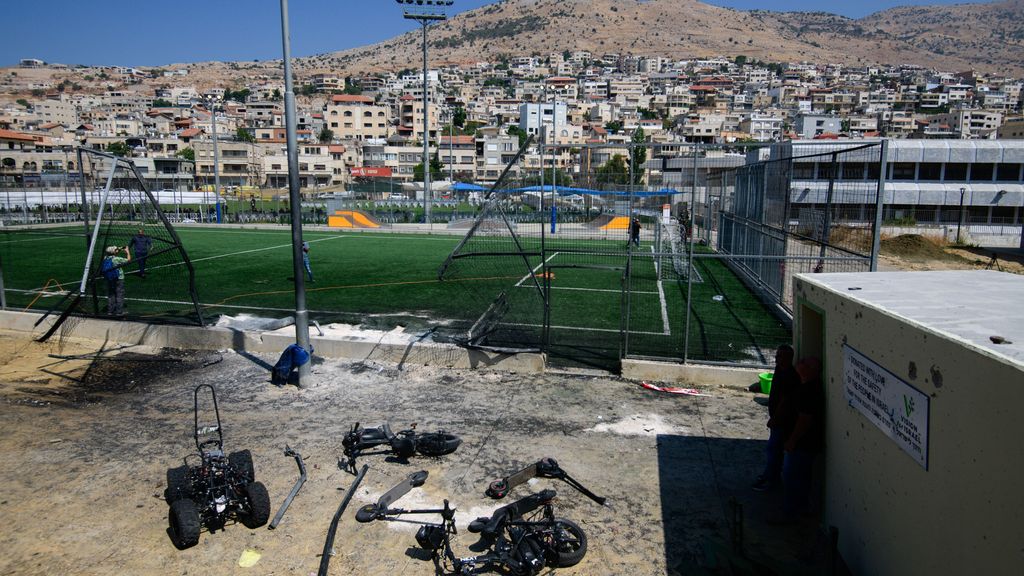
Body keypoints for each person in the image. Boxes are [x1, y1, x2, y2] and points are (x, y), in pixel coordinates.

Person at [771, 356, 824, 525]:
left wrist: (792, 440)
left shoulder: (808, 391)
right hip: (803, 443)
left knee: (793, 478)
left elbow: (804, 419)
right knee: (797, 477)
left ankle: (791, 514)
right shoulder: (805, 386)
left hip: (802, 444)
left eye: (804, 363)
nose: (799, 363)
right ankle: (796, 510)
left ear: (810, 370)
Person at [752, 344, 799, 492]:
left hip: (782, 420)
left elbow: (785, 400)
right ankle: (769, 475)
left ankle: (771, 480)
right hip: (778, 417)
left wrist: (775, 418)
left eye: (780, 356)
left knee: (774, 449)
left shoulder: (789, 375)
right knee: (773, 449)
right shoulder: (780, 370)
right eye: (777, 355)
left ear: (788, 358)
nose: (776, 358)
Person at [102, 245, 131, 316]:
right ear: (114, 252)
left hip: (109, 278)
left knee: (111, 295)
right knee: (119, 295)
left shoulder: (105, 258)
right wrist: (127, 252)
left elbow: (113, 251)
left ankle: (110, 311)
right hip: (118, 278)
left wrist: (119, 248)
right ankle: (119, 312)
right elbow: (128, 260)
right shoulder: (116, 259)